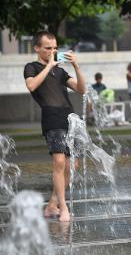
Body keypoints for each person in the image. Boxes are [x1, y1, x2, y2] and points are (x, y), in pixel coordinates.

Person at [23, 30, 86, 222]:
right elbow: (32, 86)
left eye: (55, 48)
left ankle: (52, 203)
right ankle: (63, 207)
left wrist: (76, 66)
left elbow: (81, 89)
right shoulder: (31, 67)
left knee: (72, 165)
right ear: (37, 48)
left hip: (70, 117)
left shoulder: (60, 71)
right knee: (59, 162)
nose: (52, 51)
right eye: (48, 48)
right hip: (51, 116)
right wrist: (49, 65)